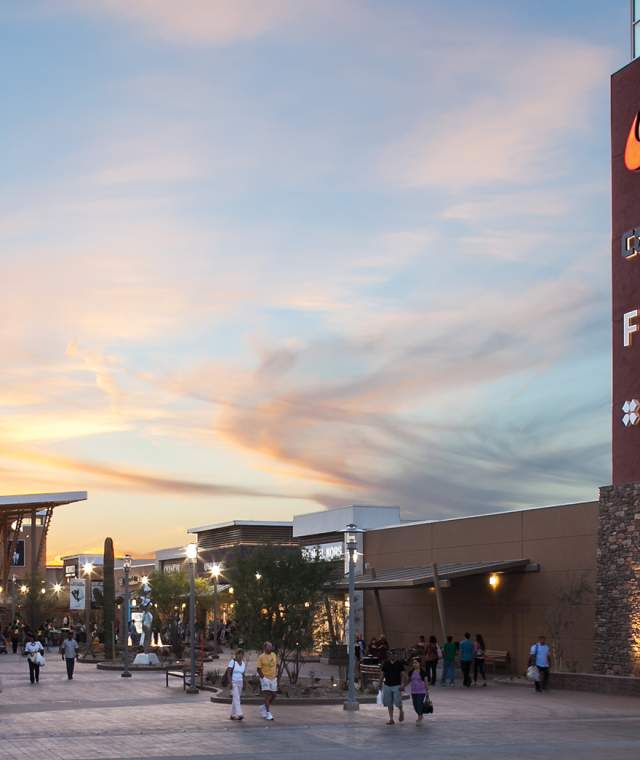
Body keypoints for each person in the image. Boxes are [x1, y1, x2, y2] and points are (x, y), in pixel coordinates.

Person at [379, 650, 405, 725]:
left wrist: (402, 684)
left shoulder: (399, 664)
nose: (392, 656)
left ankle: (401, 710)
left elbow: (403, 674)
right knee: (389, 703)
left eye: (394, 654)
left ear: (396, 655)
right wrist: (380, 683)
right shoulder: (386, 663)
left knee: (397, 701)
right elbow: (382, 674)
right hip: (387, 685)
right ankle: (391, 719)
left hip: (396, 685)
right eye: (391, 654)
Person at [256, 641, 278, 721]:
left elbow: (276, 665)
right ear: (265, 648)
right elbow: (258, 669)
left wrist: (276, 675)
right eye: (269, 647)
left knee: (274, 695)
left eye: (271, 646)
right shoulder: (261, 657)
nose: (271, 648)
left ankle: (264, 707)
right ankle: (268, 713)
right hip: (265, 678)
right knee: (267, 695)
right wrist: (263, 678)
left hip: (273, 678)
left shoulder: (274, 655)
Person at [407, 657, 430, 724]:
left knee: (419, 703)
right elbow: (408, 680)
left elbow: (426, 682)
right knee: (415, 705)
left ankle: (419, 716)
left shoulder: (423, 672)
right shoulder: (411, 672)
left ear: (419, 663)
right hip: (413, 691)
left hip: (421, 691)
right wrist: (403, 686)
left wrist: (427, 691)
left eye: (416, 663)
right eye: (413, 663)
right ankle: (420, 714)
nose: (414, 664)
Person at [226, 648, 246, 720]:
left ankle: (232, 714)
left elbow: (243, 674)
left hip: (240, 682)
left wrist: (245, 684)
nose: (240, 656)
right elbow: (228, 673)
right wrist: (230, 683)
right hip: (234, 682)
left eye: (241, 654)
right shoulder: (232, 662)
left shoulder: (243, 663)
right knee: (236, 697)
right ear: (236, 655)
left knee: (236, 698)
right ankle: (239, 713)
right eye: (239, 654)